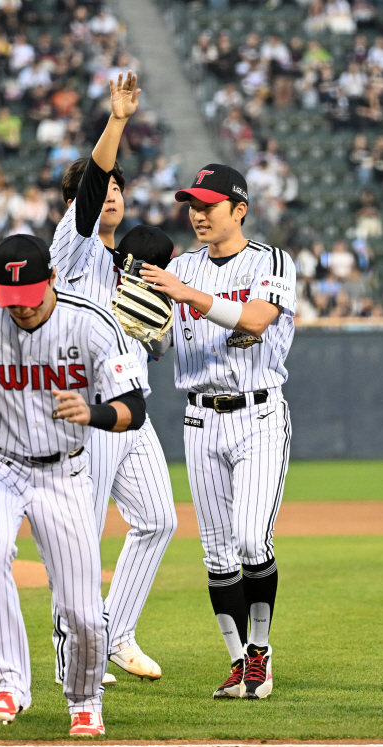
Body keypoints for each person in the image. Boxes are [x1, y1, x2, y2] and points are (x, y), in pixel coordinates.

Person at [0, 234, 147, 737]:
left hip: (64, 472)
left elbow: (134, 409)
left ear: (52, 281)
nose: (20, 309)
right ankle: (10, 684)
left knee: (83, 609)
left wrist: (96, 413)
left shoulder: (92, 324)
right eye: (10, 300)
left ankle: (85, 700)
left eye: (30, 299)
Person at [139, 164, 296, 700]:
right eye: (192, 204)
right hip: (199, 416)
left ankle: (260, 652)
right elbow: (156, 342)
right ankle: (237, 663)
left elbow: (255, 321)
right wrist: (138, 318)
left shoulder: (272, 261)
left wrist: (185, 292)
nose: (198, 213)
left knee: (253, 539)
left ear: (240, 209)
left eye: (209, 204)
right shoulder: (179, 267)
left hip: (258, 414)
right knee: (217, 553)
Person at [47, 71, 177, 686]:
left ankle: (116, 631)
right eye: (102, 190)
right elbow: (93, 181)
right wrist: (118, 121)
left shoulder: (128, 261)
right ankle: (73, 658)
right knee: (82, 537)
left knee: (158, 520)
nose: (112, 195)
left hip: (133, 407)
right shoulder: (69, 247)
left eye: (119, 188)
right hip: (86, 411)